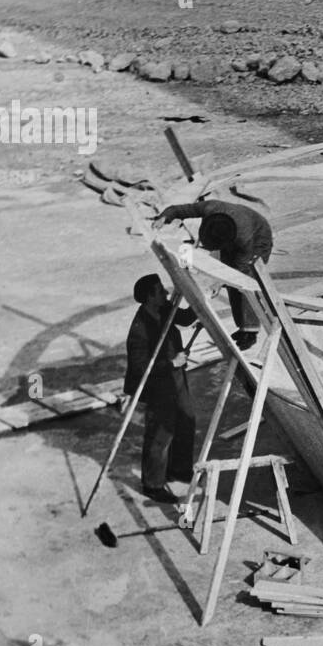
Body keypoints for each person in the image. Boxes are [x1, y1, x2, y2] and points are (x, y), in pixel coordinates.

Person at [155, 199, 274, 351]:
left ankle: (250, 332)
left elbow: (238, 272)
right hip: (235, 232)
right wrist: (164, 217)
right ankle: (243, 327)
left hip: (257, 240)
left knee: (242, 283)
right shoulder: (209, 207)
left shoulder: (244, 238)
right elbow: (182, 209)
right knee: (229, 279)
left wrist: (217, 282)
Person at [123, 274, 198, 500]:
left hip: (175, 376)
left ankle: (179, 470)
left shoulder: (163, 307)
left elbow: (184, 318)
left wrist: (198, 300)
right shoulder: (139, 328)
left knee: (187, 418)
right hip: (156, 383)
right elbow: (139, 367)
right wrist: (172, 362)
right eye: (160, 291)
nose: (166, 294)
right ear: (149, 297)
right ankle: (153, 484)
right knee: (160, 432)